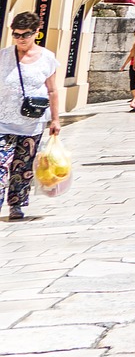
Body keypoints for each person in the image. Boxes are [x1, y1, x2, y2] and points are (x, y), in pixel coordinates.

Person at [1, 12, 61, 220]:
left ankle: (16, 205)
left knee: (22, 166)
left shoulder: (47, 58)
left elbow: (52, 90)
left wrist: (55, 119)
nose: (20, 39)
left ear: (36, 33)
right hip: (3, 120)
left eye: (25, 35)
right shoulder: (3, 55)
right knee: (1, 164)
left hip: (32, 123)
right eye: (16, 34)